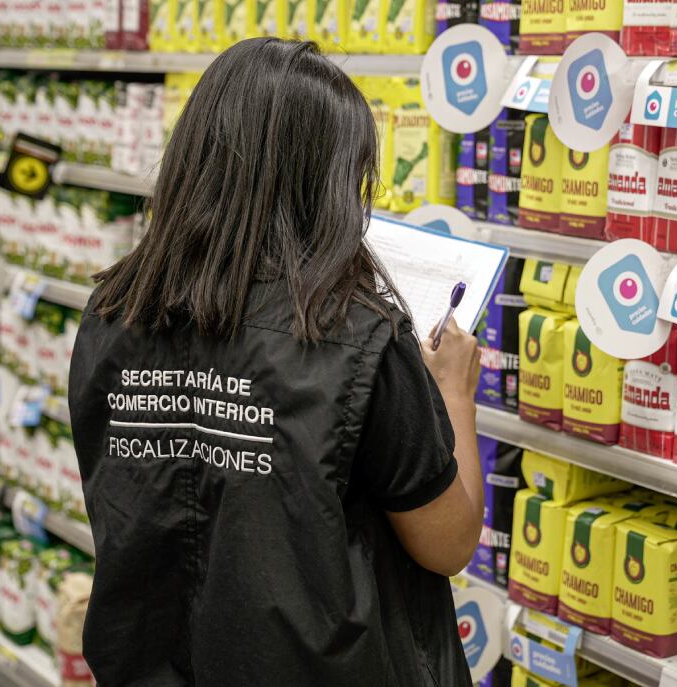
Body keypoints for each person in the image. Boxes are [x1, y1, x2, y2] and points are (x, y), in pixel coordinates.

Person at [68, 38, 482, 686]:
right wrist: (454, 392)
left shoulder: (111, 311)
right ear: (331, 184)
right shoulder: (358, 335)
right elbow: (448, 541)